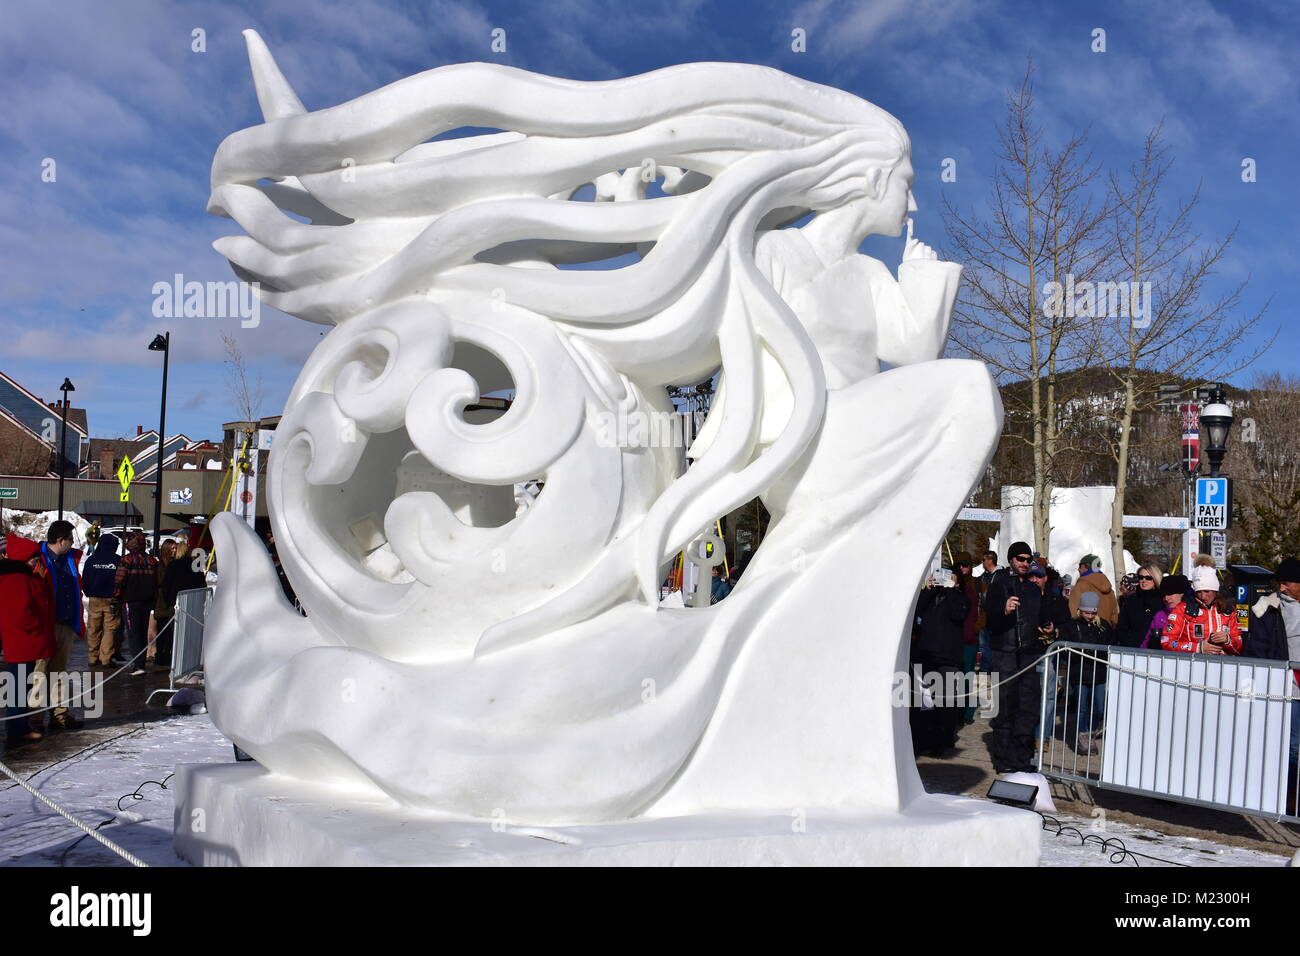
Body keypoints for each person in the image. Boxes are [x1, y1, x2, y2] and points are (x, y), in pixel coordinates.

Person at [984, 541, 1046, 774]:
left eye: (1028, 559)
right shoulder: (999, 584)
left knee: (1028, 708)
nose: (1025, 563)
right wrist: (1004, 610)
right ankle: (1003, 759)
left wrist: (1047, 629)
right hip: (1005, 653)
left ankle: (1022, 758)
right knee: (1005, 707)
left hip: (1029, 654)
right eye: (1020, 558)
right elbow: (990, 621)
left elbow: (1039, 618)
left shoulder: (1032, 589)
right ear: (1011, 559)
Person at [1243, 557, 1300, 800]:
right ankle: (1289, 798)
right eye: (1280, 583)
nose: (1282, 588)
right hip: (1288, 688)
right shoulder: (1266, 607)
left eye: (1287, 583)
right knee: (1292, 746)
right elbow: (1258, 648)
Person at [0, 535, 56, 750]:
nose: (37, 562)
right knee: (18, 686)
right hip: (23, 640)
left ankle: (19, 726)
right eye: (34, 558)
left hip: (24, 640)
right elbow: (20, 613)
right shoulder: (17, 579)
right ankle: (16, 729)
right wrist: (36, 630)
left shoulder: (23, 576)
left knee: (22, 685)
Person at [910, 568, 971, 757]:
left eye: (950, 577)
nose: (944, 580)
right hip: (926, 654)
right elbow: (915, 610)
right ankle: (922, 739)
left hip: (947, 657)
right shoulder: (933, 596)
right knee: (923, 702)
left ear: (958, 582)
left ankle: (942, 740)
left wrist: (952, 589)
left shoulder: (960, 598)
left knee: (944, 702)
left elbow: (957, 614)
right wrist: (928, 589)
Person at [34, 520, 84, 733]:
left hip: (65, 623)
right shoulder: (39, 559)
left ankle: (59, 715)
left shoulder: (70, 559)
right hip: (45, 625)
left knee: (59, 672)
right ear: (60, 540)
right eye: (71, 539)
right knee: (39, 672)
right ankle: (33, 718)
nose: (73, 544)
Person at [1066, 590, 1114, 755]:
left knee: (1099, 708)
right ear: (1080, 610)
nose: (1089, 615)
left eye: (1093, 612)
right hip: (1080, 673)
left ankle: (1092, 733)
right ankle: (1083, 736)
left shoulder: (1103, 626)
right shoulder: (1072, 626)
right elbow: (1067, 648)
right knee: (1082, 708)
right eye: (1086, 612)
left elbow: (1110, 645)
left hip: (1098, 673)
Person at [1032, 560, 1071, 745]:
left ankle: (1042, 736)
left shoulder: (1056, 600)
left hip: (1048, 652)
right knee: (1026, 697)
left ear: (1045, 578)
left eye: (1038, 576)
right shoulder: (1020, 597)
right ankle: (1027, 734)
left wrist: (1054, 630)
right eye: (1031, 576)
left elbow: (1066, 625)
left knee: (1047, 696)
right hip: (1025, 652)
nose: (1034, 579)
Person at [1161, 565, 1241, 655]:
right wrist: (1198, 648)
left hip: (1221, 666)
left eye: (1207, 591)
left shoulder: (1228, 610)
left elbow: (1238, 647)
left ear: (1215, 590)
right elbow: (1166, 642)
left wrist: (1227, 640)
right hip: (1191, 665)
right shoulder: (1182, 609)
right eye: (1199, 592)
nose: (1203, 596)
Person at [157, 541, 208, 670]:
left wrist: (169, 602)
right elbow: (202, 585)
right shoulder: (194, 566)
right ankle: (188, 661)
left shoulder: (173, 565)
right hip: (192, 605)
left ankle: (175, 661)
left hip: (175, 604)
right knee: (190, 634)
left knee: (174, 633)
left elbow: (166, 586)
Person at [114, 532, 159, 676]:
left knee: (133, 632)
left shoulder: (126, 560)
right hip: (147, 600)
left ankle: (138, 664)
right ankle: (140, 662)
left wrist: (116, 597)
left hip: (130, 600)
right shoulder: (152, 561)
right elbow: (156, 581)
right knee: (142, 630)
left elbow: (119, 580)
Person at [80, 532, 121, 667]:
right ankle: (106, 658)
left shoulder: (92, 560)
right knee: (110, 628)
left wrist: (88, 591)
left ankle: (92, 657)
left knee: (93, 628)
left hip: (95, 598)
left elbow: (85, 578)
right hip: (112, 600)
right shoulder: (118, 560)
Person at [953, 552, 980, 723]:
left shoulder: (977, 584)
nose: (963, 568)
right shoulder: (951, 582)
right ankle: (955, 711)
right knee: (952, 677)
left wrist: (975, 628)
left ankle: (967, 713)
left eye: (966, 564)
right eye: (960, 564)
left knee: (967, 676)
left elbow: (984, 610)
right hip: (952, 639)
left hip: (969, 639)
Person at [1116, 562, 1163, 648]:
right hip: (1133, 650)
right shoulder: (1131, 600)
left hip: (1157, 651)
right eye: (1141, 577)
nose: (1143, 580)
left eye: (1148, 578)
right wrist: (1128, 642)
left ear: (1155, 578)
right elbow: (1122, 627)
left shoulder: (1163, 600)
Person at [1068, 553, 1119, 626]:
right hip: (1105, 632)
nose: (1078, 569)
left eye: (1080, 566)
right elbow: (1114, 617)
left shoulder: (1082, 585)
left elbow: (1073, 610)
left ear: (1086, 566)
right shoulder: (1109, 588)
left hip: (1087, 632)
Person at [1147, 574, 1189, 649]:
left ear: (1181, 594)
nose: (1166, 598)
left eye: (1170, 594)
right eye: (1164, 595)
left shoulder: (1192, 615)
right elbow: (1147, 640)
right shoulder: (1159, 616)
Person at [975, 550, 1000, 675]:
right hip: (984, 619)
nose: (982, 562)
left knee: (995, 648)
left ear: (990, 560)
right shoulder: (982, 577)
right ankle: (985, 672)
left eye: (983, 560)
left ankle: (994, 673)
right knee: (983, 647)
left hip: (997, 619)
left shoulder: (1001, 575)